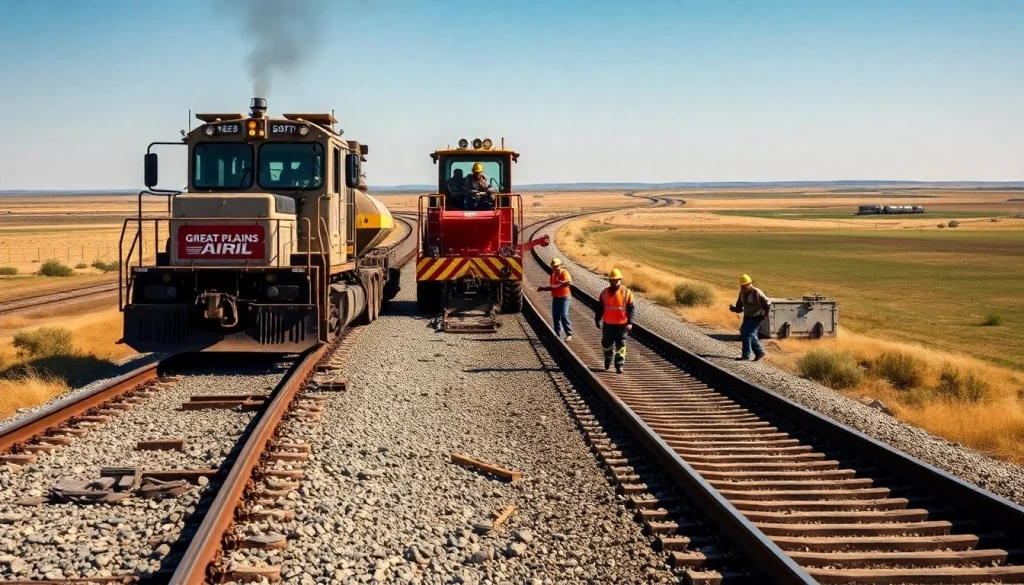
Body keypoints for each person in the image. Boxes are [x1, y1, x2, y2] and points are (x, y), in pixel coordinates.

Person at [594, 268, 635, 374]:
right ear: (609, 281)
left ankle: (619, 364)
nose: (615, 282)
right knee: (606, 344)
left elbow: (631, 309)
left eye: (617, 280)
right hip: (608, 325)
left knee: (621, 345)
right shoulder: (604, 293)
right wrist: (597, 319)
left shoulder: (627, 293)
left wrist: (630, 322)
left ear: (620, 280)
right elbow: (600, 308)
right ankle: (608, 357)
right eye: (613, 280)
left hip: (622, 325)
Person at [729, 274, 770, 361]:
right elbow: (739, 304)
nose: (743, 287)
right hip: (748, 316)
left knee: (747, 334)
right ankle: (760, 353)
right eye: (742, 285)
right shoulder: (742, 292)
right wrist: (734, 309)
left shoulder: (757, 292)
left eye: (745, 285)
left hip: (758, 317)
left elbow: (768, 304)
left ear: (750, 284)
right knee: (746, 332)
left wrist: (764, 315)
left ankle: (746, 356)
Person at [537, 258, 573, 340]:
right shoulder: (552, 276)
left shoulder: (564, 273)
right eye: (554, 267)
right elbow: (553, 287)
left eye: (557, 266)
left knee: (564, 315)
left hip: (565, 298)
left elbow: (569, 282)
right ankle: (557, 334)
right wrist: (543, 289)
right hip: (556, 298)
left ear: (559, 266)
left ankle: (569, 334)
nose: (555, 268)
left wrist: (564, 282)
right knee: (556, 316)